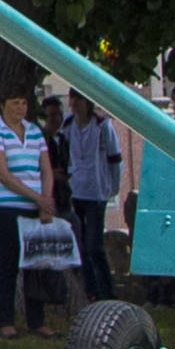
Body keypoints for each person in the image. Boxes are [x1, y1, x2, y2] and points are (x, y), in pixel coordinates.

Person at [0, 90, 57, 337]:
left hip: (35, 208)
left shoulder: (34, 131)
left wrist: (45, 201)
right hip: (8, 208)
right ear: (3, 104)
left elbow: (46, 168)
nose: (20, 108)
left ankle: (37, 320)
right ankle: (6, 321)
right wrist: (37, 198)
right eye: (15, 103)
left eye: (24, 103)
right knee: (9, 264)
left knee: (35, 265)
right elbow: (3, 174)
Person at [63, 94, 131, 308]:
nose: (75, 105)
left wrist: (112, 187)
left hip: (96, 192)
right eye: (72, 100)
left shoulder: (102, 126)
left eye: (79, 100)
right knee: (81, 244)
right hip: (76, 190)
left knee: (94, 245)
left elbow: (115, 158)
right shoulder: (68, 125)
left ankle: (107, 291)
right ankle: (90, 291)